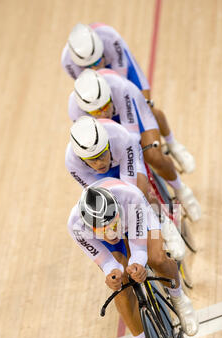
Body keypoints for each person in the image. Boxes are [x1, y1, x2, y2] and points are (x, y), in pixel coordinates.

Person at [67, 178, 199, 338]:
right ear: (90, 227)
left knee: (157, 259)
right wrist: (113, 274)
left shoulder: (131, 198)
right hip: (111, 238)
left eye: (112, 224)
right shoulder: (76, 226)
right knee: (120, 286)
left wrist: (137, 263)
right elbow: (105, 260)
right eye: (103, 230)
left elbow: (138, 248)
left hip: (136, 220)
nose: (110, 231)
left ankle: (180, 300)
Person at [68, 68, 201, 223]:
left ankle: (182, 190)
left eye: (104, 107)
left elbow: (132, 135)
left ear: (109, 97)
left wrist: (135, 156)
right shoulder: (75, 110)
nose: (102, 114)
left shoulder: (119, 88)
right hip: (105, 139)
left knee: (153, 156)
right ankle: (160, 223)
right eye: (96, 112)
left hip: (129, 115)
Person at [61, 22, 196, 173]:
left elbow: (123, 84)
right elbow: (85, 86)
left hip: (121, 76)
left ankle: (173, 144)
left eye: (97, 61)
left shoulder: (109, 37)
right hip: (97, 91)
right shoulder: (67, 62)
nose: (94, 68)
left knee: (146, 106)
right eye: (88, 66)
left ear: (101, 52)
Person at [66, 115, 186, 262]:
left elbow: (130, 190)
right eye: (92, 159)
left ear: (107, 145)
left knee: (138, 192)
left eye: (101, 154)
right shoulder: (72, 162)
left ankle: (163, 222)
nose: (98, 163)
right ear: (81, 158)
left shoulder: (119, 135)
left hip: (124, 157)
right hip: (98, 178)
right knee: (106, 209)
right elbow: (97, 192)